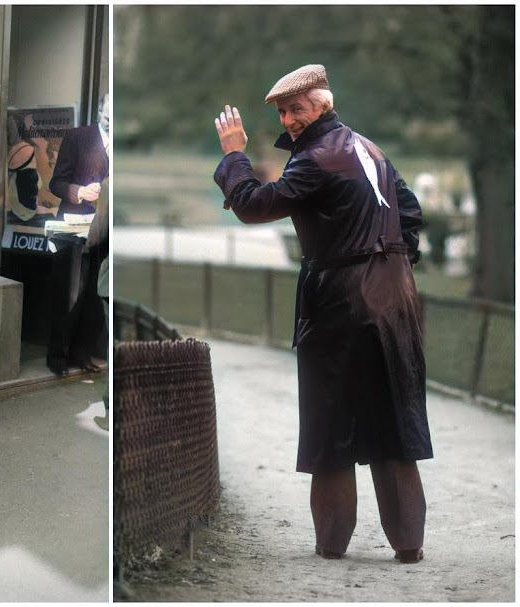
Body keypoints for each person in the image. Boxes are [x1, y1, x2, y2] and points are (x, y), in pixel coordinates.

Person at [213, 64, 432, 564]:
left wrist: (234, 157)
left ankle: (331, 545)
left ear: (322, 105)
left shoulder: (317, 158)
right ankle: (409, 544)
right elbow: (411, 210)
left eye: (297, 108)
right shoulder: (368, 148)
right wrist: (395, 263)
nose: (289, 119)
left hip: (341, 301)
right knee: (394, 419)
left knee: (331, 423)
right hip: (396, 301)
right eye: (285, 111)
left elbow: (254, 205)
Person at [46, 94, 110, 376]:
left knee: (97, 298)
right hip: (76, 229)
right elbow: (56, 182)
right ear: (100, 111)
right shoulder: (77, 138)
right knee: (69, 295)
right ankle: (58, 358)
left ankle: (82, 355)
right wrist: (80, 192)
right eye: (109, 115)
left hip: (107, 230)